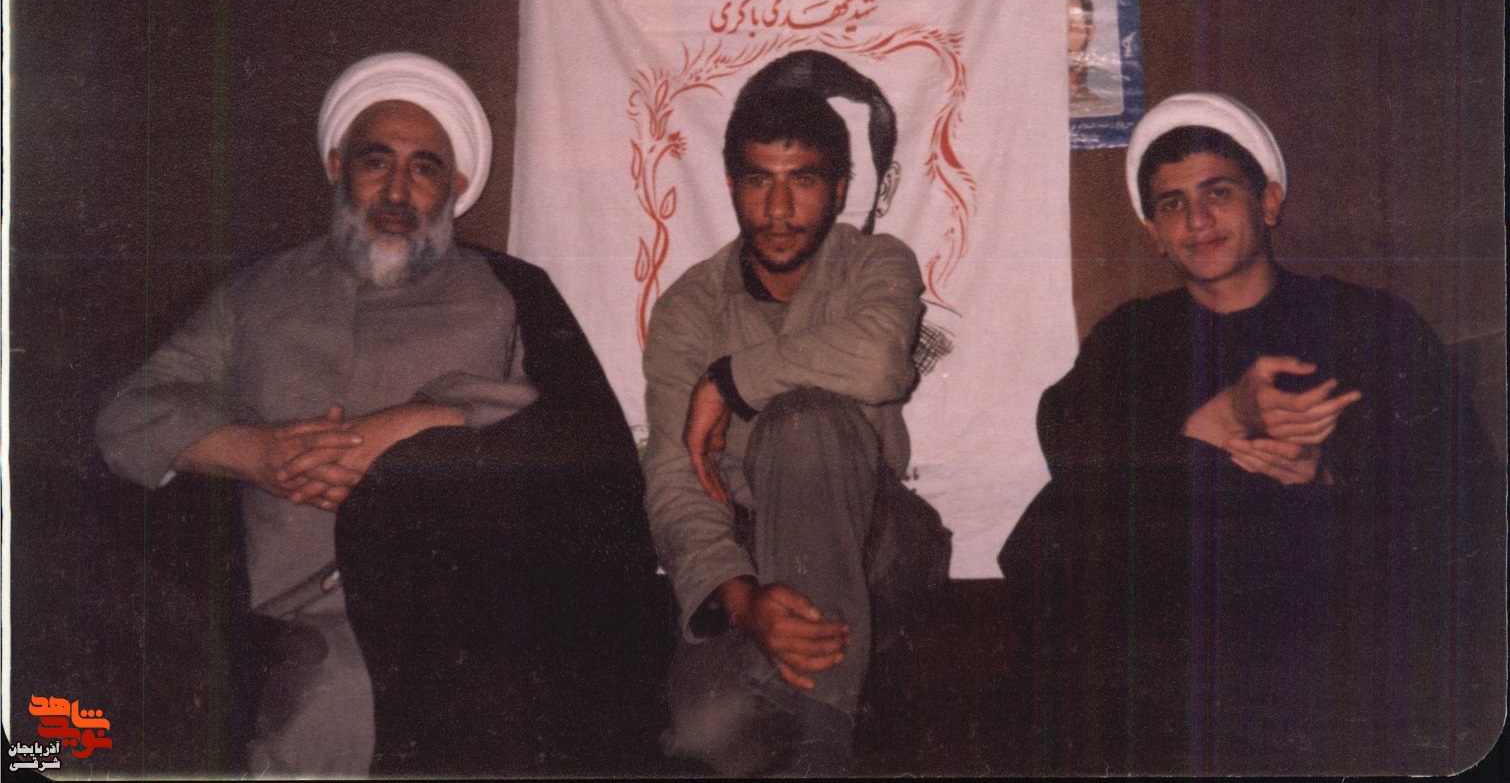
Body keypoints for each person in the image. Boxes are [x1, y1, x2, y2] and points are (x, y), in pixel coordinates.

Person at [96, 52, 658, 776]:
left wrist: (412, 425)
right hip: (301, 611)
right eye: (375, 161)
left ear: (456, 187)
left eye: (425, 168)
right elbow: (129, 412)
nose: (396, 190)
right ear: (337, 166)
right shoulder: (256, 291)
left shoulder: (506, 288)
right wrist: (253, 451)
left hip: (463, 598)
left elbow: (579, 432)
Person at [996, 92, 1501, 774]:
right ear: (1153, 232)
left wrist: (1326, 472)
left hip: (1324, 632)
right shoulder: (1132, 338)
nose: (1197, 220)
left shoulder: (1366, 322)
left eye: (1218, 192)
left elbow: (1461, 488)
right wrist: (1213, 423)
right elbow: (1070, 449)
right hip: (1169, 651)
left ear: (1269, 201)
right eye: (1172, 203)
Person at [642, 52, 950, 776]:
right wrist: (743, 600)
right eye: (759, 180)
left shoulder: (878, 263)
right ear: (732, 185)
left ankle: (822, 749)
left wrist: (731, 380)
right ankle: (845, 689)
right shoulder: (689, 307)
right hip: (752, 553)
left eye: (803, 180)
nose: (778, 210)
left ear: (839, 189)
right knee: (705, 734)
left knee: (803, 421)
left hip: (876, 539)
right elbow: (674, 475)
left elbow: (881, 360)